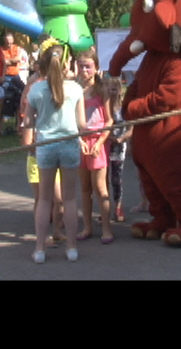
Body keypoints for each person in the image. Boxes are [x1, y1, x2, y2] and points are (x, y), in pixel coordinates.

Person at [21, 38, 86, 263]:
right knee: (69, 198)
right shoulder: (76, 89)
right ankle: (71, 248)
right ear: (66, 63)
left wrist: (32, 123)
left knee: (44, 199)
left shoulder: (36, 89)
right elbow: (82, 123)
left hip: (46, 146)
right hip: (69, 145)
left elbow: (28, 122)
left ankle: (40, 249)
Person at [19, 65, 64, 246]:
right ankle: (42, 235)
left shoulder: (53, 109)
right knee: (41, 198)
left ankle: (57, 231)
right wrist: (36, 144)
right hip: (36, 159)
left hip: (54, 156)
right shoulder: (30, 112)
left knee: (58, 199)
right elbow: (26, 142)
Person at [74, 48, 114, 243]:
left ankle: (106, 228)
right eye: (81, 66)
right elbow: (71, 120)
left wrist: (100, 142)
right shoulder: (74, 91)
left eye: (88, 66)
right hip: (81, 141)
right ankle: (87, 226)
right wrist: (79, 140)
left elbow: (109, 120)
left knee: (100, 187)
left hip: (98, 141)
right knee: (85, 187)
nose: (84, 70)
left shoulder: (102, 89)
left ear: (96, 67)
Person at [106, 76, 132, 223]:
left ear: (120, 90)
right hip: (105, 145)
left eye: (115, 89)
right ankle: (106, 208)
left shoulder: (124, 108)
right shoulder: (104, 106)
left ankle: (118, 207)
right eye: (110, 89)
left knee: (116, 178)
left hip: (119, 146)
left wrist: (122, 139)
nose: (112, 92)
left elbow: (131, 128)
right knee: (103, 180)